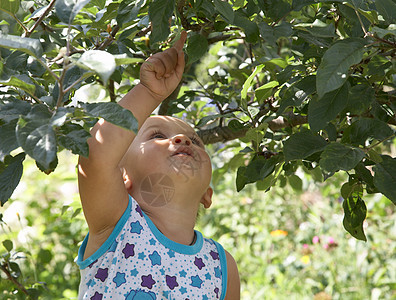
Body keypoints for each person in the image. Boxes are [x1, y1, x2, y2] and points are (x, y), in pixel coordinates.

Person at [76, 31, 240, 300]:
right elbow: (95, 157)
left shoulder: (221, 267)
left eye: (196, 141)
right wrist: (149, 92)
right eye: (157, 136)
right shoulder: (117, 224)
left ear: (207, 193)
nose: (183, 139)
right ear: (122, 176)